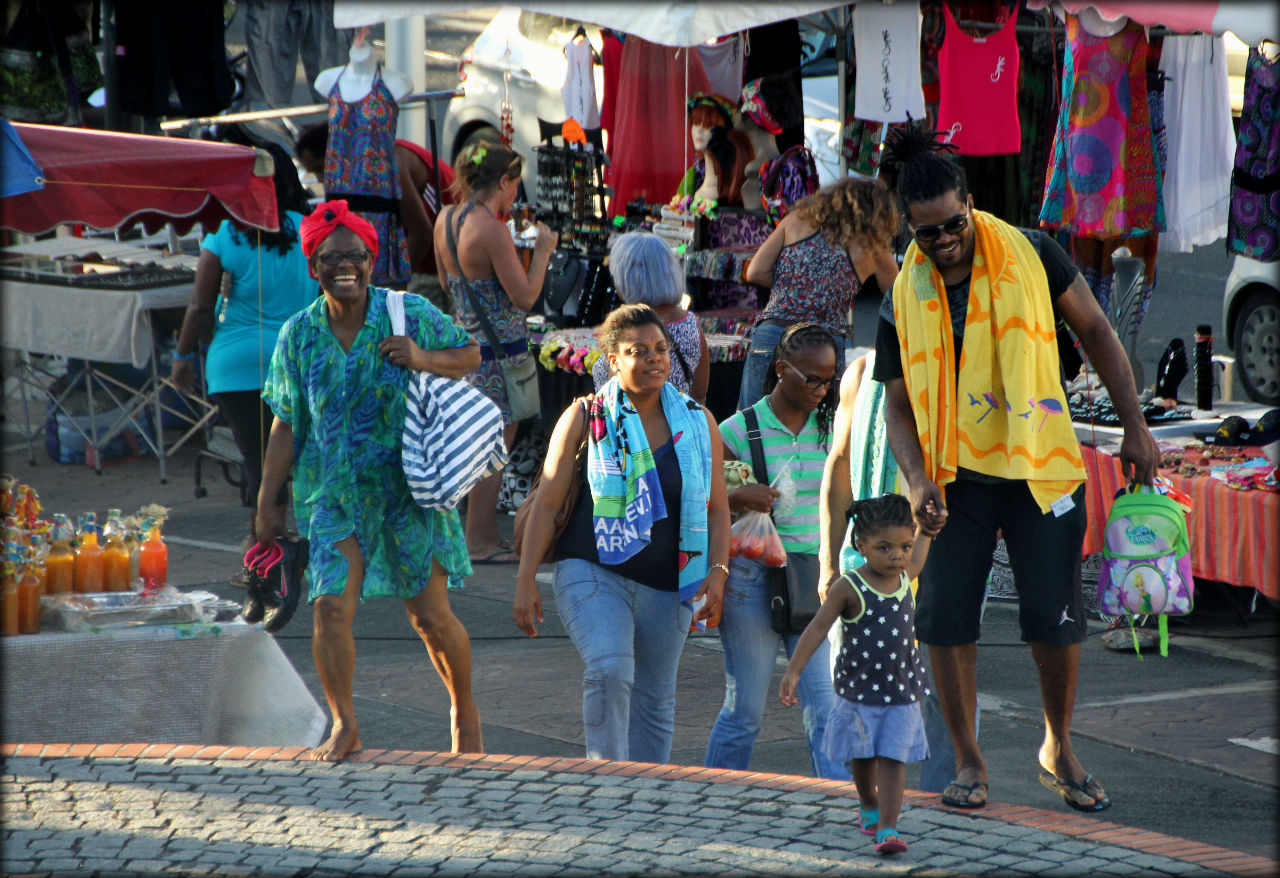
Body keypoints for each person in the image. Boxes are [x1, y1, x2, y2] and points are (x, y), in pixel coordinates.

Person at [874, 121, 1158, 811]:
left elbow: (1096, 331)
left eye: (952, 225)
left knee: (1055, 618)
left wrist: (1135, 428)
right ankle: (969, 759)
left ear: (970, 203)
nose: (942, 242)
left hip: (1039, 464)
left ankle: (1058, 744)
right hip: (953, 478)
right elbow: (897, 404)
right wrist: (915, 481)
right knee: (942, 618)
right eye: (925, 233)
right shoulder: (902, 294)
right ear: (907, 231)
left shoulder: (1033, 252)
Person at [255, 199, 484, 762]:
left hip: (409, 492)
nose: (345, 266)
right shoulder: (298, 335)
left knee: (429, 618)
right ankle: (345, 723)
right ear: (314, 266)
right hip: (333, 497)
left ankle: (464, 708)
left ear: (372, 259)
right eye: (332, 258)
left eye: (356, 255)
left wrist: (422, 357)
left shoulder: (406, 313)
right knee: (329, 606)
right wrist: (267, 505)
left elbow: (472, 355)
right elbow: (286, 421)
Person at [513, 304, 730, 763]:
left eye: (661, 349)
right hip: (591, 569)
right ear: (613, 361)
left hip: (669, 583)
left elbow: (717, 509)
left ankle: (648, 798)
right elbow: (549, 502)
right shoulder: (584, 416)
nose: (655, 359)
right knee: (611, 669)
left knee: (655, 700)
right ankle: (607, 778)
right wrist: (525, 578)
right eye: (638, 351)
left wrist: (717, 573)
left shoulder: (697, 422)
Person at [819, 352, 976, 794]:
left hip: (944, 560)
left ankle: (951, 791)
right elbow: (839, 463)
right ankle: (871, 803)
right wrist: (828, 561)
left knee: (946, 687)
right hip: (865, 569)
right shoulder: (863, 371)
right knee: (858, 692)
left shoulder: (961, 362)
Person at [703, 322, 849, 780]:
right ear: (781, 369)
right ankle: (713, 795)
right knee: (745, 708)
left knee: (825, 707)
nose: (822, 390)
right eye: (812, 379)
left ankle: (842, 805)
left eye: (830, 380)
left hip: (817, 581)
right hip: (752, 581)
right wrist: (740, 497)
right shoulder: (738, 429)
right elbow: (703, 500)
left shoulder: (834, 426)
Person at [169, 143, 317, 569]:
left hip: (236, 364)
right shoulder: (310, 231)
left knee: (259, 459)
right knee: (301, 457)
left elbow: (199, 308)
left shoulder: (224, 236)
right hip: (297, 360)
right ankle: (294, 544)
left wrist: (181, 357)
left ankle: (264, 554)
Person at [780, 493, 943, 856]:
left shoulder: (906, 575)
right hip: (859, 691)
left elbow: (923, 545)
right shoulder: (848, 587)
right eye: (884, 547)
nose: (897, 555)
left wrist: (929, 525)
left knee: (892, 757)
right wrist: (794, 670)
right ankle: (868, 803)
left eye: (904, 546)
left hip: (901, 690)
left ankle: (888, 827)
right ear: (861, 545)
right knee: (863, 757)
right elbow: (817, 628)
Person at [436, 140, 558, 565]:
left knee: (475, 446)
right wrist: (542, 252)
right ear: (503, 182)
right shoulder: (489, 227)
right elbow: (524, 297)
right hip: (498, 356)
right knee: (492, 451)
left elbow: (448, 284)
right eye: (514, 187)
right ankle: (481, 541)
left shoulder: (446, 218)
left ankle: (472, 537)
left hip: (466, 348)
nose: (514, 197)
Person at [740, 177, 899, 410]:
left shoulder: (796, 220)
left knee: (749, 425)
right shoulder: (872, 245)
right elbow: (898, 299)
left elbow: (755, 271)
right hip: (822, 346)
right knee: (819, 432)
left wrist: (793, 290)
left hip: (772, 333)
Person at [295, 121, 457, 314]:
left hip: (442, 259)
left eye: (321, 169)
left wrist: (392, 291)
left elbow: (422, 233)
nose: (320, 180)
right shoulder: (354, 175)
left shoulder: (390, 163)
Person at [590, 230, 709, 403]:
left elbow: (615, 398)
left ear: (627, 276)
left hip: (632, 427)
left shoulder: (628, 326)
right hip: (679, 427)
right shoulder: (691, 322)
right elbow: (699, 395)